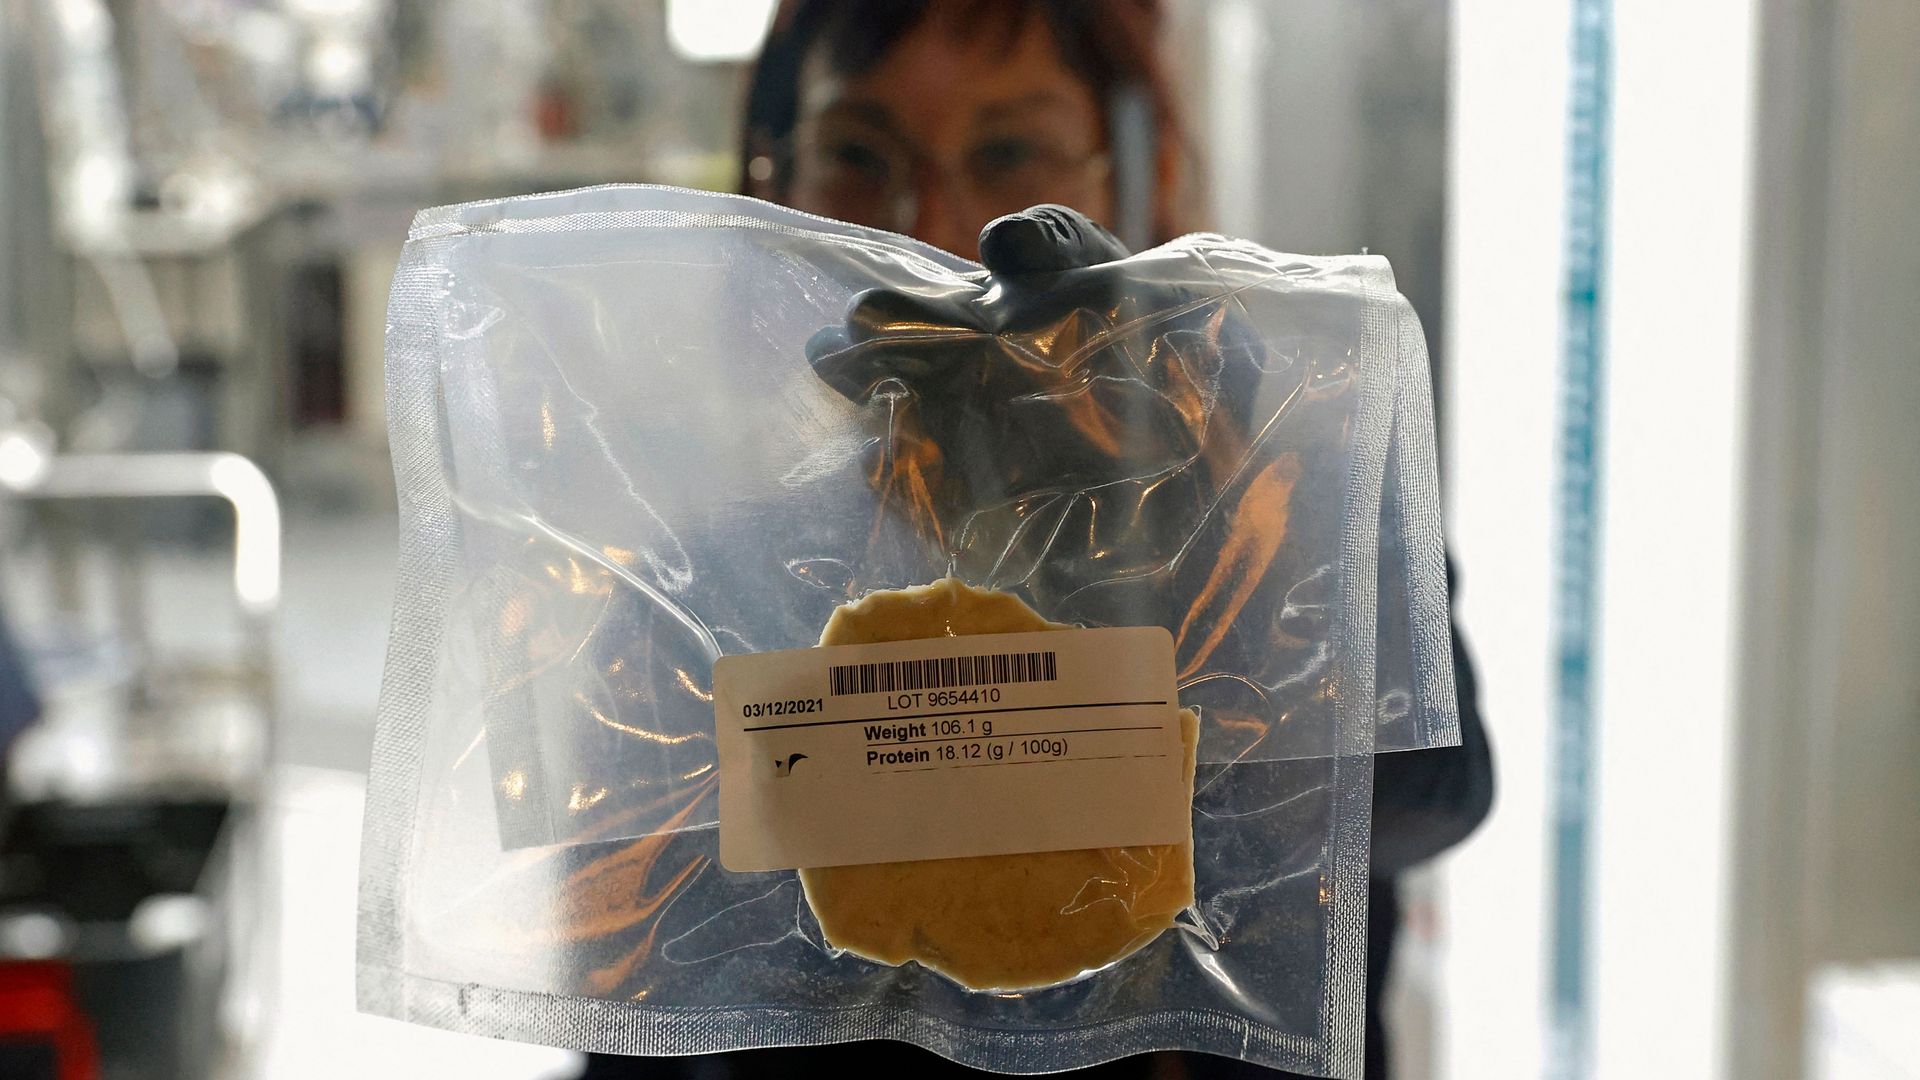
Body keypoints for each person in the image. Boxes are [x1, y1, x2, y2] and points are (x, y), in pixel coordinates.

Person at [584, 3, 1490, 1077]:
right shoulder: (707, 587)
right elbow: (632, 1003)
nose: (929, 217)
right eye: (857, 157)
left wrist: (1204, 537)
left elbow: (1435, 790)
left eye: (1009, 150)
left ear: (1132, 174)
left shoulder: (1274, 487)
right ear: (777, 187)